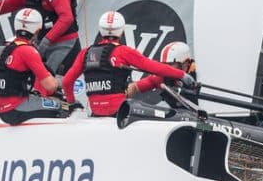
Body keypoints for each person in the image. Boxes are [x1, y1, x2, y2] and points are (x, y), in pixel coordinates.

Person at [59, 12, 195, 118]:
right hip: (120, 113)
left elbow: (66, 82)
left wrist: (72, 102)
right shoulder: (123, 52)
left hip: (95, 114)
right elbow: (152, 67)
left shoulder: (85, 53)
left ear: (100, 31)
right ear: (122, 31)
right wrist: (181, 74)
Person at [0, 8, 61, 124]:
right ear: (37, 30)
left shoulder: (1, 49)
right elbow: (50, 86)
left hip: (1, 111)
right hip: (16, 108)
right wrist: (58, 81)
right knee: (63, 107)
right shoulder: (28, 51)